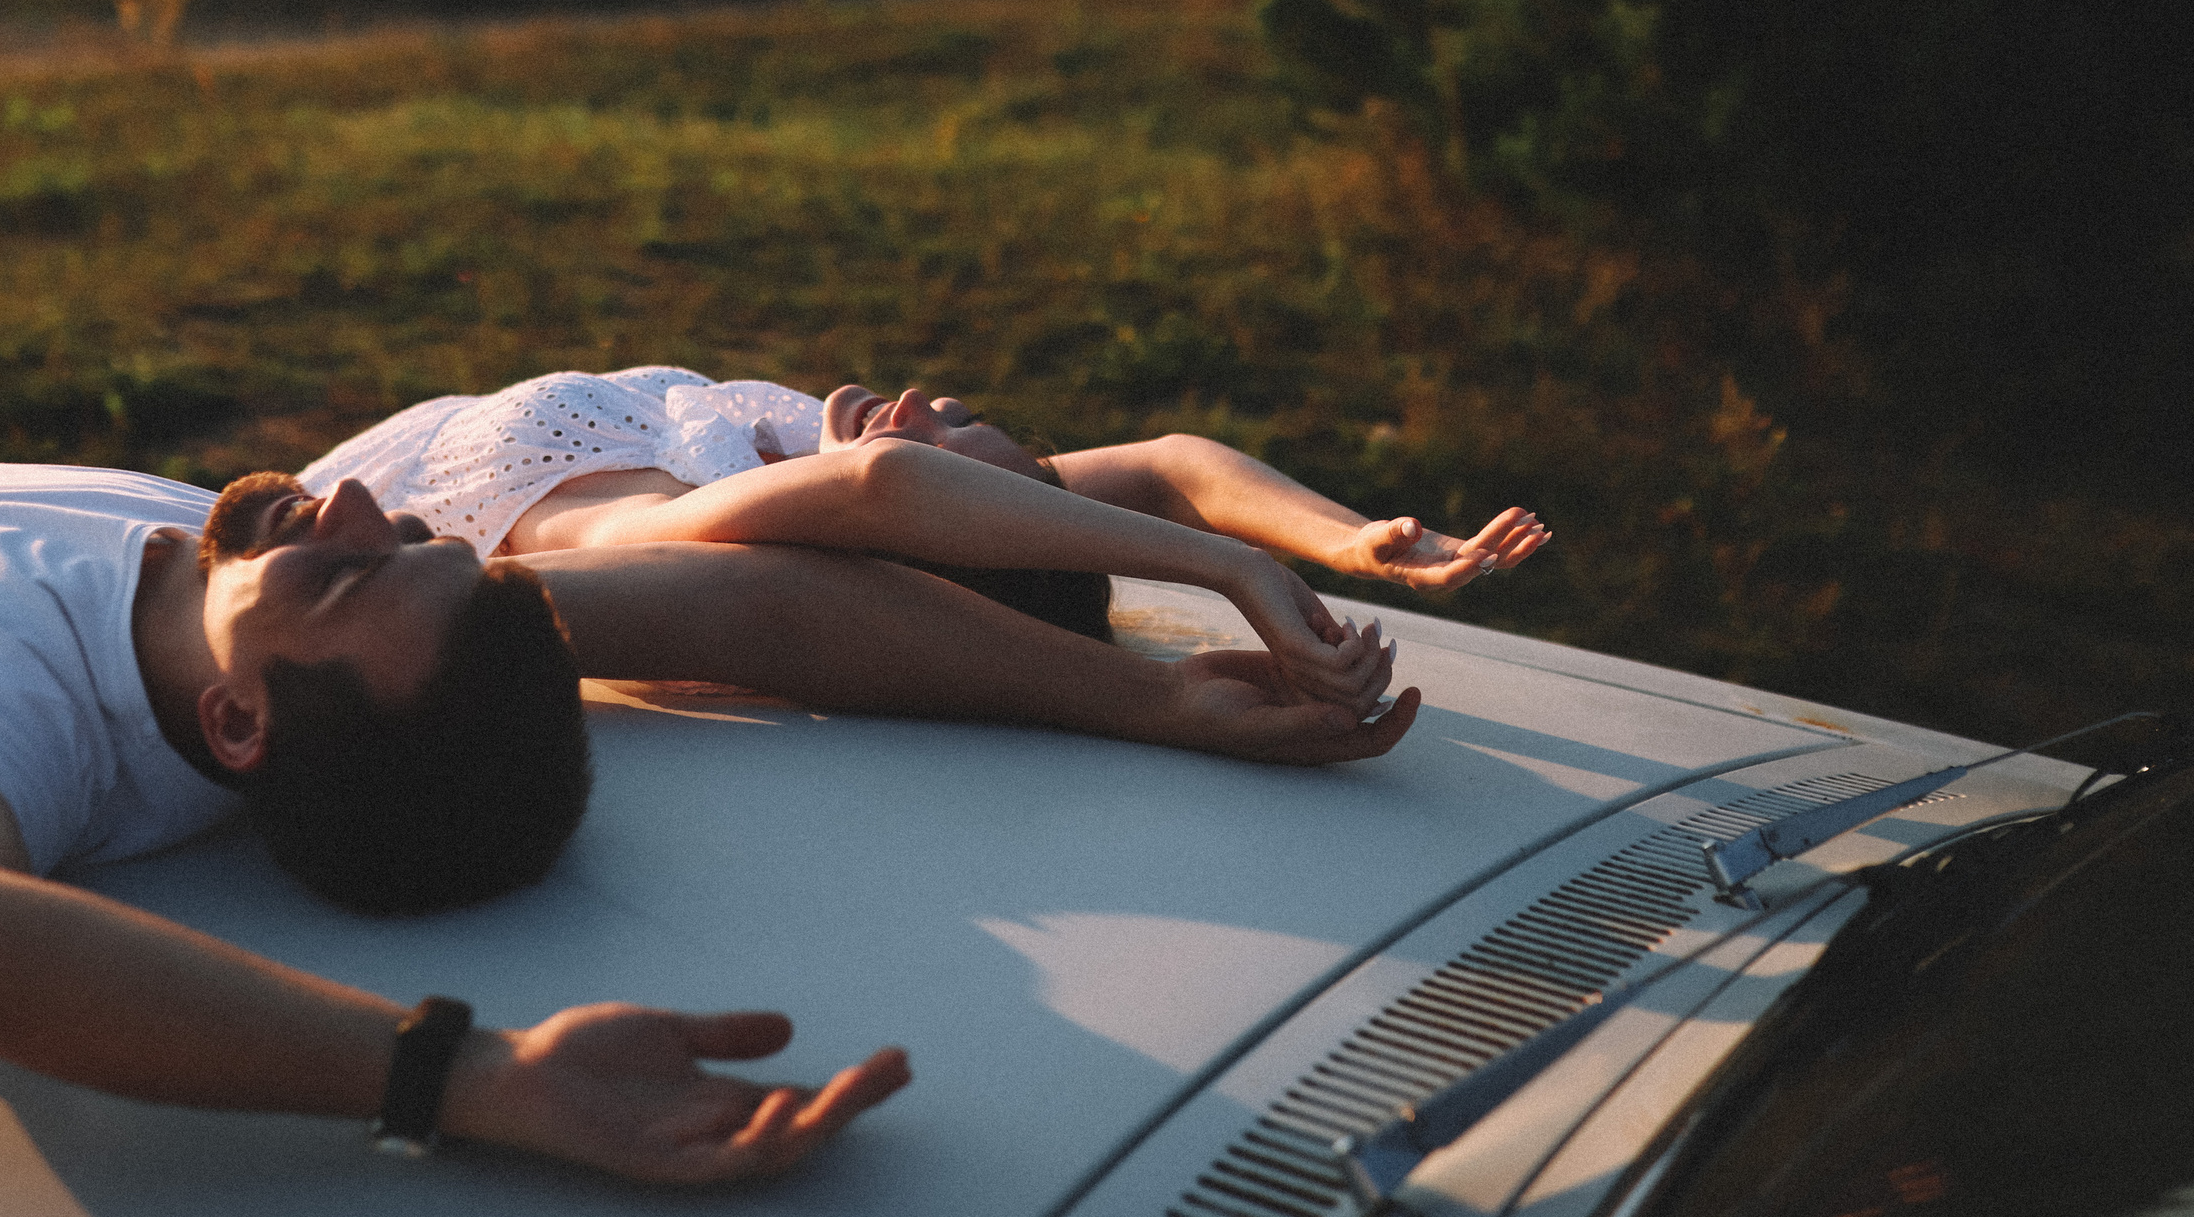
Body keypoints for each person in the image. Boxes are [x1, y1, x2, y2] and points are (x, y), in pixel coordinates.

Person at [0, 458, 1413, 1185]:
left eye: (335, 568)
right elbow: (741, 608)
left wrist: (462, 1081)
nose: (339, 496)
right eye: (396, 535)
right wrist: (1149, 699)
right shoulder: (326, 620)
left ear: (242, 721)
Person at [306, 366, 1549, 704]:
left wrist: (1238, 574)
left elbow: (883, 487)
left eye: (945, 439)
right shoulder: (793, 459)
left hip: (300, 536)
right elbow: (1173, 469)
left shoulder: (664, 529)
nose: (922, 407)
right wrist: (1348, 541)